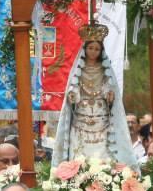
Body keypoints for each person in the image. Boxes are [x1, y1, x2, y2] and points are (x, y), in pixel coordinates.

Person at [53, 23, 135, 166]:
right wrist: (73, 95)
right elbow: (74, 86)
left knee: (102, 149)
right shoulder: (79, 69)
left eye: (97, 49)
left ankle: (102, 171)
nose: (93, 52)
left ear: (101, 51)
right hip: (81, 115)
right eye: (90, 48)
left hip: (100, 114)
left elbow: (108, 86)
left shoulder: (105, 69)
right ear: (85, 49)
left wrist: (109, 94)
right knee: (80, 148)